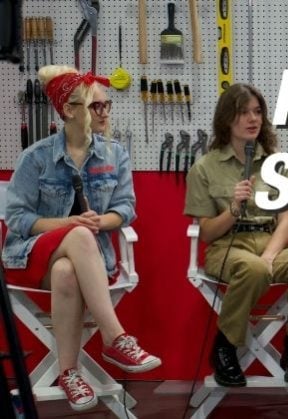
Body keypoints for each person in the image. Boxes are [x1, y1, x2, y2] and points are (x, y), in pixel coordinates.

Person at [1, 65, 161, 412]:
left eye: (107, 105)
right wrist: (68, 224)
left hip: (83, 263)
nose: (104, 113)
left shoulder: (115, 154)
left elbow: (125, 209)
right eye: (96, 106)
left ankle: (69, 374)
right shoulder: (36, 158)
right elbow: (16, 217)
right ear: (69, 110)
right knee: (76, 235)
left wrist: (99, 221)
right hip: (29, 258)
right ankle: (115, 336)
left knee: (66, 271)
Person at [184, 83, 288, 387]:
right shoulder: (204, 168)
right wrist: (233, 208)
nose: (253, 119)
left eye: (257, 112)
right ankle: (224, 348)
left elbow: (287, 220)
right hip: (226, 247)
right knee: (254, 268)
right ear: (226, 119)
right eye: (243, 112)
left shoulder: (282, 165)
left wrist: (270, 255)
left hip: (271, 242)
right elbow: (207, 232)